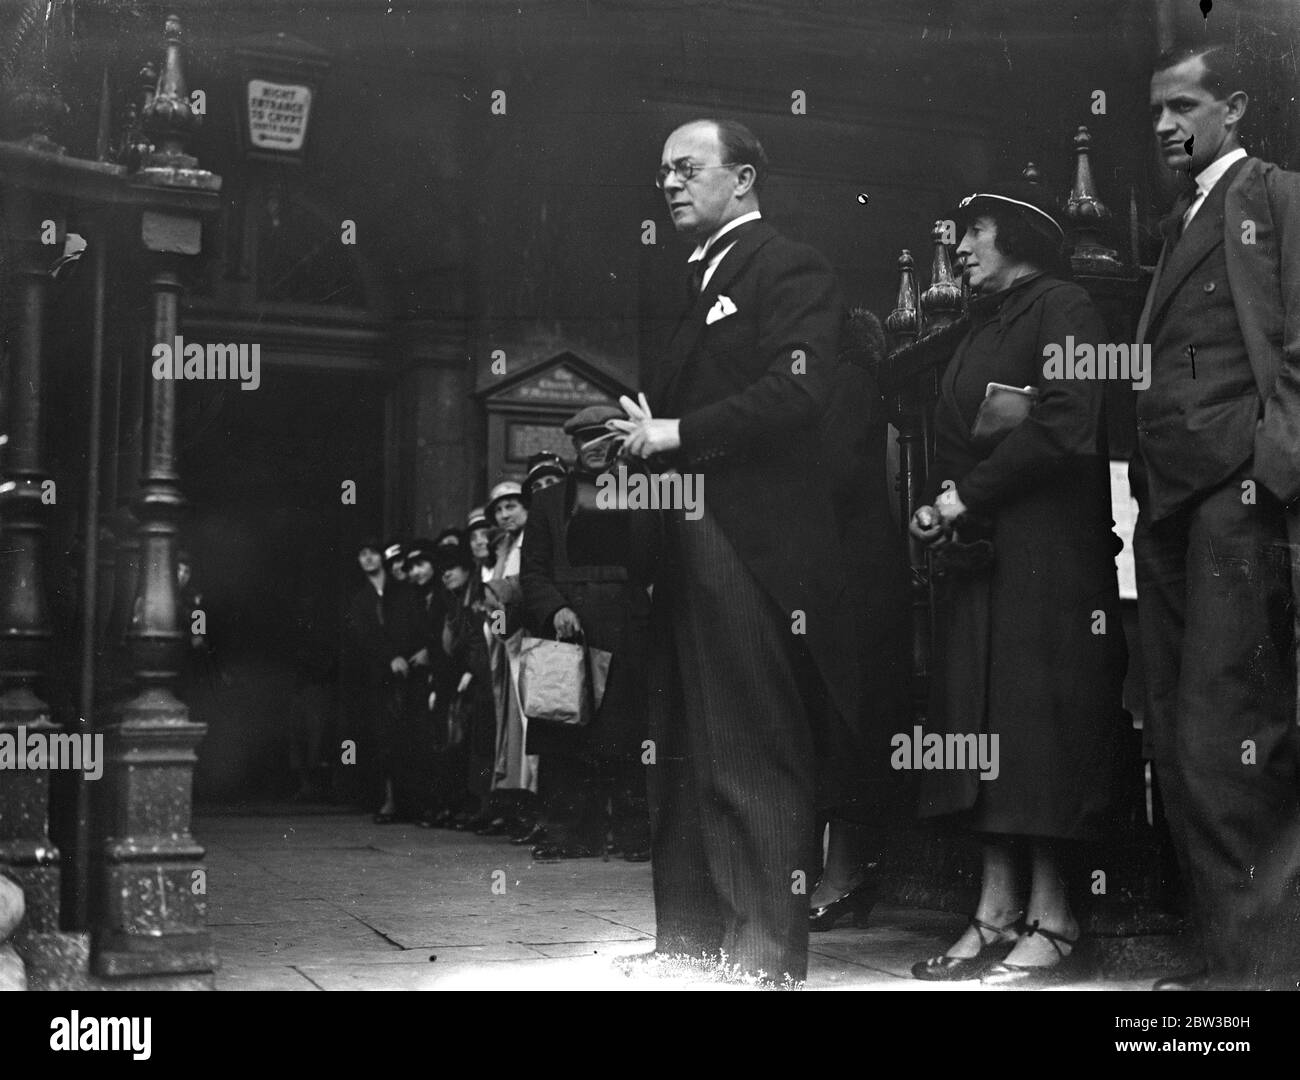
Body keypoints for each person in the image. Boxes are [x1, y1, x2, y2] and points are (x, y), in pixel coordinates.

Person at [611, 118, 859, 983]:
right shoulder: (695, 277)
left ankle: (761, 958)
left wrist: (676, 431)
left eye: (687, 168)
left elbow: (797, 391)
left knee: (749, 745)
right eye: (662, 172)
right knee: (681, 745)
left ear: (744, 178)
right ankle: (687, 945)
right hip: (687, 534)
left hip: (747, 544)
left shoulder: (787, 264)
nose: (669, 184)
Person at [907, 182, 1127, 985]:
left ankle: (1057, 918)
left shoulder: (1063, 305)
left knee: (1039, 737)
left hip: (1048, 558)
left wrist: (968, 494)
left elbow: (1068, 420)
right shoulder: (979, 326)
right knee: (984, 732)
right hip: (984, 559)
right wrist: (944, 504)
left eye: (975, 232)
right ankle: (994, 915)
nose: (960, 248)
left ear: (1023, 239)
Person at [1134, 42, 1300, 991]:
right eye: (1157, 110)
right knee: (1183, 735)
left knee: (1229, 732)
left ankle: (1262, 977)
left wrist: (1272, 471)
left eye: (1184, 106)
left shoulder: (1276, 197)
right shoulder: (1182, 219)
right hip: (1172, 507)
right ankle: (1234, 959)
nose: (1165, 125)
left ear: (1232, 108)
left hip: (1238, 499)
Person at [809, 308, 914, 930]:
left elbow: (831, 473)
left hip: (852, 586)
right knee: (849, 727)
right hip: (862, 581)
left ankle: (844, 880)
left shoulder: (847, 383)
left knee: (847, 727)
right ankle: (839, 877)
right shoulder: (856, 385)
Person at [521, 404, 654, 862]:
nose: (597, 448)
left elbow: (651, 559)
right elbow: (532, 571)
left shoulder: (637, 492)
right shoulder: (547, 501)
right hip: (569, 627)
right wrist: (554, 608)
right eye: (588, 440)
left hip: (627, 624)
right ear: (574, 446)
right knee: (565, 732)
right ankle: (568, 833)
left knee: (628, 731)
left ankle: (636, 833)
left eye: (606, 439)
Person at [482, 481, 540, 840]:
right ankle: (524, 808)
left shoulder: (535, 541)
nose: (505, 514)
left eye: (512, 506)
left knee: (536, 723)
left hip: (533, 641)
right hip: (509, 646)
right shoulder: (503, 547)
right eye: (499, 509)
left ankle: (541, 809)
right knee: (516, 730)